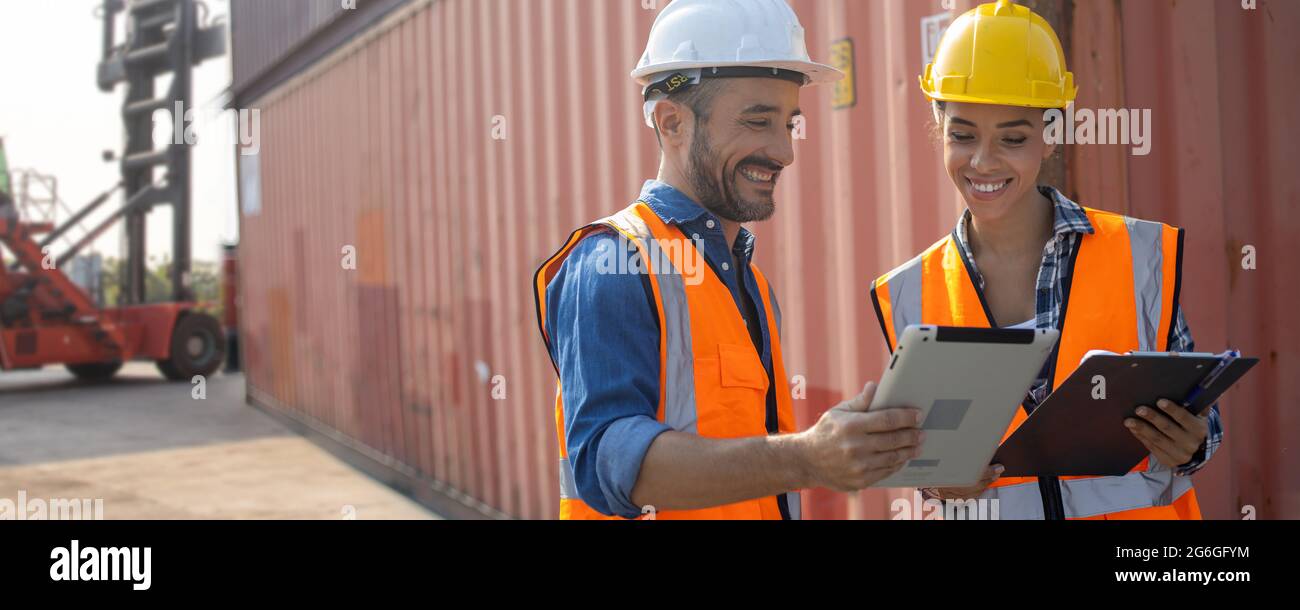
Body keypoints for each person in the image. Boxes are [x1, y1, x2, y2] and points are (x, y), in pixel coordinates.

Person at [533, 0, 924, 520]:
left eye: (789, 123)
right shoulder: (613, 263)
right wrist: (808, 457)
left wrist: (841, 449)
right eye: (757, 121)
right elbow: (610, 463)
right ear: (671, 122)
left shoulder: (749, 282)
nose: (784, 150)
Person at [870, 0, 1220, 519]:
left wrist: (1191, 443)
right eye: (962, 135)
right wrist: (936, 482)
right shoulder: (910, 291)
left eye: (1013, 138)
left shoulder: (1137, 254)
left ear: (1051, 134)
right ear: (938, 127)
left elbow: (1200, 421)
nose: (984, 162)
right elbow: (921, 459)